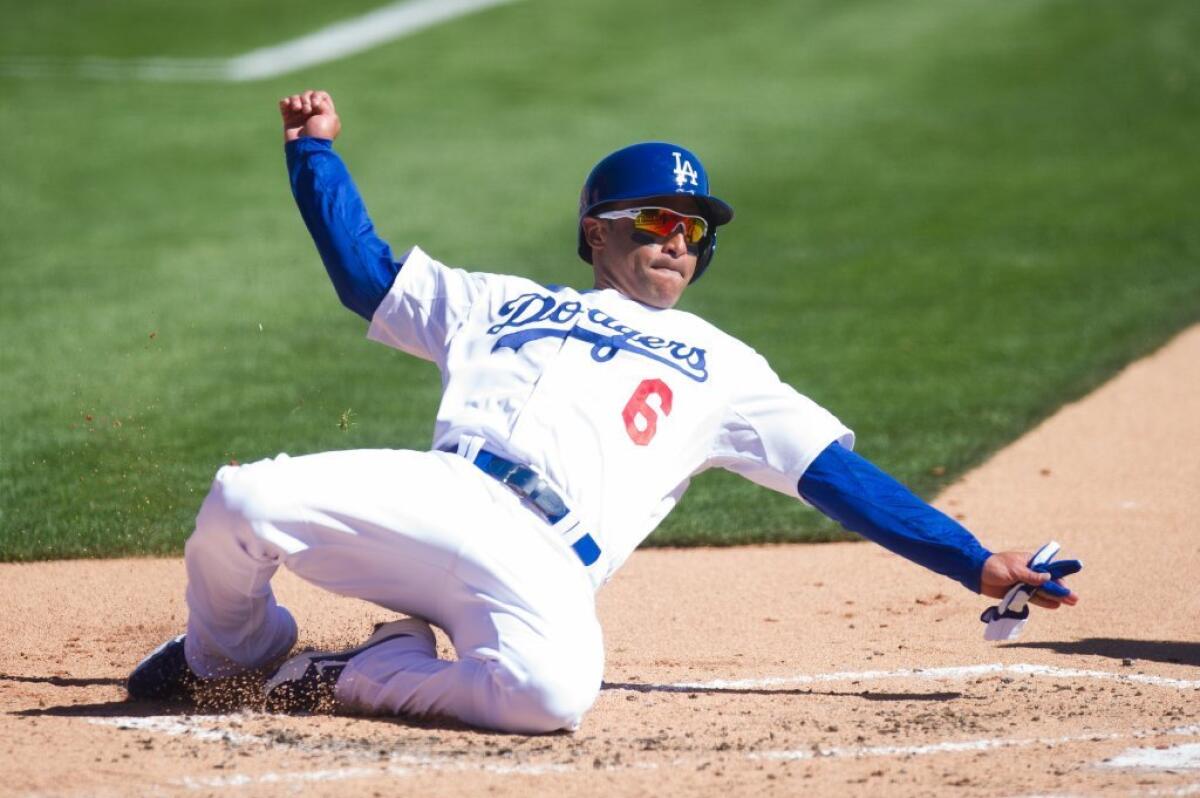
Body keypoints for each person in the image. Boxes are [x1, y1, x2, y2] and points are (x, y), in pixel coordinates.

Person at [126, 90, 1079, 733]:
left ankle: (353, 672)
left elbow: (837, 479)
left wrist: (978, 563)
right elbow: (364, 273)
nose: (680, 242)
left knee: (548, 699)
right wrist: (314, 155)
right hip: (442, 494)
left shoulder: (727, 365)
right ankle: (231, 657)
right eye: (658, 220)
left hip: (547, 560)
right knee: (242, 501)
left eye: (694, 230)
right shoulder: (498, 299)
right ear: (597, 231)